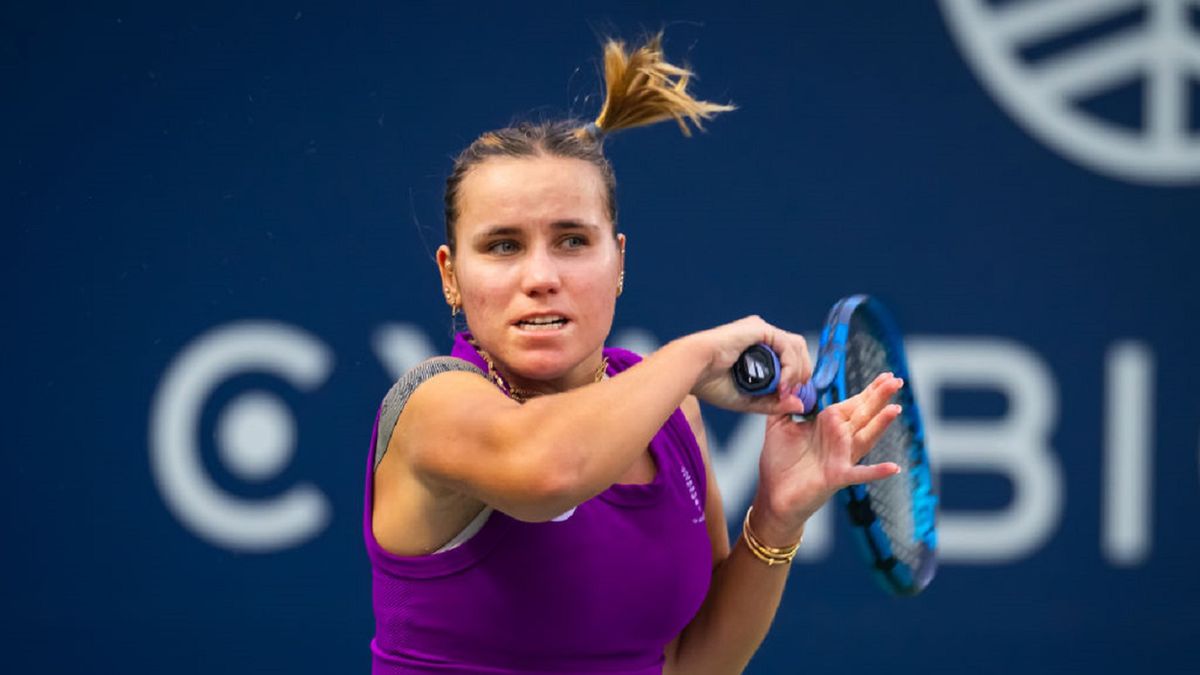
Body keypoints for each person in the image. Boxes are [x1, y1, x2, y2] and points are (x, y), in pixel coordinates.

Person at [363, 34, 904, 675]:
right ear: (450, 275)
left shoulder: (672, 415)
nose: (540, 276)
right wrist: (694, 358)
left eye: (572, 241)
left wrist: (777, 518)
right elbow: (550, 472)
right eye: (503, 246)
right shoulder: (432, 404)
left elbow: (690, 663)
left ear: (618, 260)